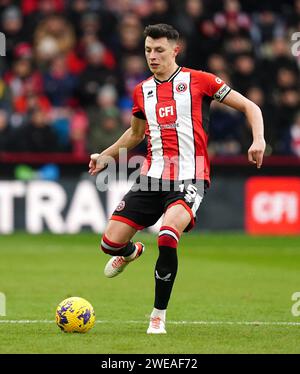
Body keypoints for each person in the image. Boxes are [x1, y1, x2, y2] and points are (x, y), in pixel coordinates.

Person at [88, 24, 266, 334]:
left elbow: (250, 106)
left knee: (167, 235)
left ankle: (158, 314)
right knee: (109, 244)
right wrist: (106, 155)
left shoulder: (200, 81)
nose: (152, 56)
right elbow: (135, 133)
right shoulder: (142, 90)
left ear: (175, 50)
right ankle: (131, 253)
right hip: (151, 178)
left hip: (190, 176)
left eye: (158, 50)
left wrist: (258, 139)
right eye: (147, 50)